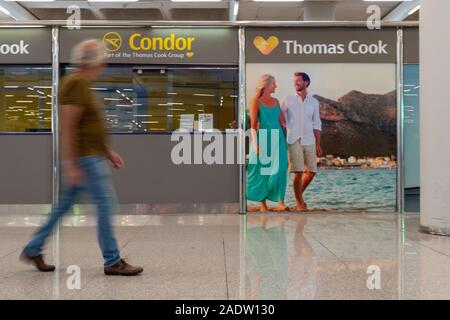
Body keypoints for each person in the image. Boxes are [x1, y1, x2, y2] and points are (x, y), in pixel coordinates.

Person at [20, 39, 143, 276]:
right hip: (87, 160)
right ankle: (112, 261)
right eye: (102, 60)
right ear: (94, 62)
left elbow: (87, 125)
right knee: (106, 205)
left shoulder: (81, 84)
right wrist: (71, 164)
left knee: (63, 206)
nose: (103, 65)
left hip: (92, 156)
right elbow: (68, 126)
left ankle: (33, 248)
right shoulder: (75, 83)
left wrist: (108, 152)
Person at [247, 74, 289, 212]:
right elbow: (253, 125)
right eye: (274, 84)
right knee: (263, 171)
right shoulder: (256, 102)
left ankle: (281, 202)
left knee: (282, 169)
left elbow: (282, 121)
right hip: (264, 138)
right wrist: (256, 144)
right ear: (266, 85)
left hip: (279, 139)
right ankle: (262, 203)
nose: (276, 86)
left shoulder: (276, 102)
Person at [281, 72, 322, 211]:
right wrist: (288, 127)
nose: (295, 83)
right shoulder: (288, 99)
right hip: (294, 140)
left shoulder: (314, 102)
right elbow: (280, 116)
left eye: (298, 81)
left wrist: (318, 144)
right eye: (294, 81)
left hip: (310, 139)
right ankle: (300, 204)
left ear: (306, 82)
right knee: (298, 172)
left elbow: (317, 124)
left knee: (311, 171)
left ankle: (299, 198)